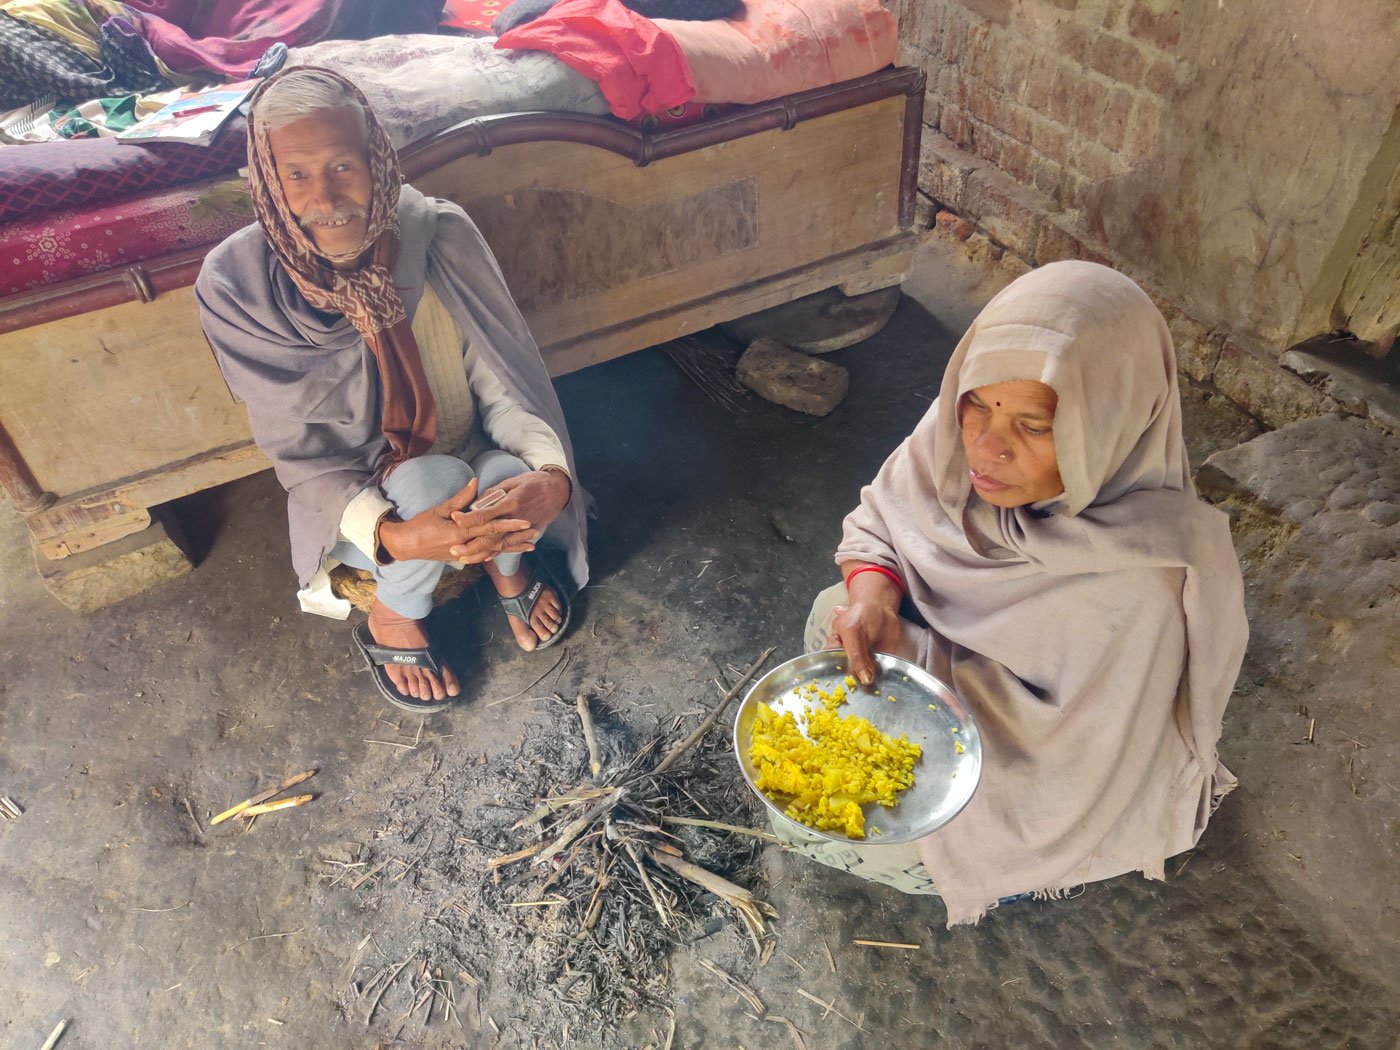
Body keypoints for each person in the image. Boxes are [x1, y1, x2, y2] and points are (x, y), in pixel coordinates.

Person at [788, 261, 1249, 925]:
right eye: (975, 405)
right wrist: (876, 601)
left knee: (852, 838)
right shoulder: (955, 439)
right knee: (831, 613)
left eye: (1033, 427)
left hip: (1031, 766)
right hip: (948, 672)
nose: (986, 449)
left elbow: (1064, 771)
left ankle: (1021, 881)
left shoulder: (1143, 592)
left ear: (1109, 426)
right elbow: (881, 522)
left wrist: (918, 665)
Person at [196, 68, 587, 712]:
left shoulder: (439, 233)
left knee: (502, 473)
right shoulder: (237, 285)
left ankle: (505, 565)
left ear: (378, 158)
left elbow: (504, 378)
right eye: (296, 174)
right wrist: (395, 538)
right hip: (362, 494)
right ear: (266, 182)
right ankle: (394, 615)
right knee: (432, 483)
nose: (326, 197)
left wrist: (551, 477)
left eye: (343, 164)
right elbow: (303, 456)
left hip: (474, 454)